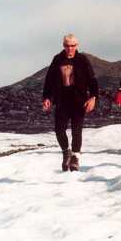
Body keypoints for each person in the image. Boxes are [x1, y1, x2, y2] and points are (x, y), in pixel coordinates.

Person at [42, 34, 99, 172]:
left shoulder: (82, 60)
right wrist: (47, 98)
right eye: (67, 45)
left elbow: (92, 80)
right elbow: (49, 80)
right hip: (62, 100)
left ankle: (75, 157)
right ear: (63, 46)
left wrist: (93, 97)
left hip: (79, 100)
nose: (70, 48)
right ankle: (66, 151)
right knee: (59, 130)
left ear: (77, 46)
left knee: (76, 130)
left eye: (72, 46)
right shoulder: (57, 59)